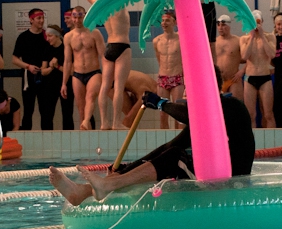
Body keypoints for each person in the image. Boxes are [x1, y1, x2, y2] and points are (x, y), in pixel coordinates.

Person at [49, 67, 255, 206]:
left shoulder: (230, 107)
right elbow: (170, 145)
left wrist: (161, 104)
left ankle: (107, 185)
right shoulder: (206, 116)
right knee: (172, 152)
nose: (185, 91)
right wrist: (128, 168)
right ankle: (84, 192)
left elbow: (189, 115)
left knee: (175, 156)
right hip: (216, 177)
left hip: (230, 181)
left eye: (189, 86)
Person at [84, 0, 132, 130]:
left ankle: (104, 123)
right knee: (118, 86)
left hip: (109, 46)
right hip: (122, 46)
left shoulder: (102, 4)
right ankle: (116, 122)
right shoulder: (120, 2)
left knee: (105, 87)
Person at [61, 6, 105, 130]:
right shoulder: (68, 37)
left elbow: (103, 56)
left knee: (90, 97)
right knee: (81, 109)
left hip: (94, 73)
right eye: (74, 17)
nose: (77, 20)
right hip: (77, 74)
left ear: (85, 16)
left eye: (80, 16)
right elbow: (68, 61)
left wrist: (107, 76)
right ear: (71, 18)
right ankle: (87, 137)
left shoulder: (94, 33)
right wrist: (64, 83)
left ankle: (86, 121)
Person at [240, 10, 277, 128]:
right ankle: (253, 144)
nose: (256, 25)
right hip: (249, 78)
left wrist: (262, 36)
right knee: (250, 115)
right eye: (253, 23)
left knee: (268, 114)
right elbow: (244, 56)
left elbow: (271, 54)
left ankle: (272, 142)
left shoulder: (270, 36)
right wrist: (251, 37)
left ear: (262, 22)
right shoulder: (244, 38)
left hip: (265, 78)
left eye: (258, 22)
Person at [12, 8, 47, 130]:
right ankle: (26, 141)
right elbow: (14, 59)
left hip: (44, 77)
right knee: (28, 111)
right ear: (31, 20)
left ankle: (48, 141)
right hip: (29, 78)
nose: (41, 21)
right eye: (39, 18)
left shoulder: (47, 36)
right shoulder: (23, 37)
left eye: (42, 18)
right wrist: (28, 66)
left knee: (45, 112)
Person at [153, 11, 185, 129]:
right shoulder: (157, 41)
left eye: (167, 20)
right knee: (163, 114)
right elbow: (159, 59)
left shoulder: (181, 39)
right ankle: (165, 142)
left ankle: (178, 143)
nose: (164, 23)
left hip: (177, 77)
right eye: (162, 20)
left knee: (178, 114)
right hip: (163, 78)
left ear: (174, 22)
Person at [40, 24, 71, 129]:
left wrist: (57, 66)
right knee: (47, 114)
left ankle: (68, 137)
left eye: (50, 36)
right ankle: (46, 138)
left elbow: (71, 71)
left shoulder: (66, 49)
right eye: (46, 36)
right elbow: (43, 71)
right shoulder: (46, 48)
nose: (47, 39)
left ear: (57, 36)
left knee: (67, 114)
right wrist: (51, 67)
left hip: (65, 85)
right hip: (49, 85)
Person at [214, 15, 245, 99]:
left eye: (223, 25)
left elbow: (250, 57)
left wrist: (242, 71)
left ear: (229, 26)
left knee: (235, 108)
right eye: (218, 25)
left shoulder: (238, 40)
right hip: (218, 80)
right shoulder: (214, 42)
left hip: (233, 80)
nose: (220, 27)